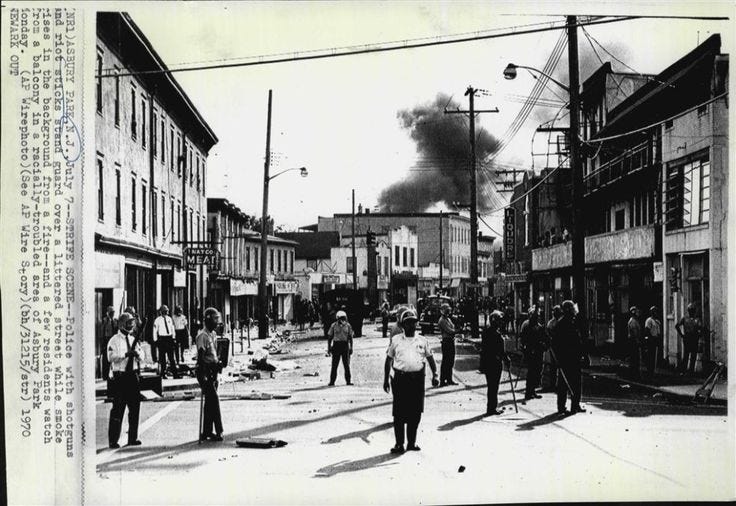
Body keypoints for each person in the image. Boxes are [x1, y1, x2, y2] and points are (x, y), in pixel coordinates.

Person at [383, 309, 439, 454]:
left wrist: (435, 374)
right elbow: (389, 360)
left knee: (416, 413)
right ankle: (399, 444)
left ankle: (412, 443)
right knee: (399, 414)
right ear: (402, 325)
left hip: (417, 380)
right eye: (407, 323)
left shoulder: (422, 340)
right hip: (401, 379)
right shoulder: (396, 340)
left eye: (413, 323)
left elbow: (430, 358)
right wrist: (385, 379)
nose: (411, 326)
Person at [107, 312, 143, 448]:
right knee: (118, 409)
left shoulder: (134, 339)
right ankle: (113, 440)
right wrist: (125, 355)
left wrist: (137, 354)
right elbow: (111, 357)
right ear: (122, 324)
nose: (131, 325)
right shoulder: (114, 340)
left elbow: (143, 356)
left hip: (132, 375)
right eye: (129, 323)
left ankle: (132, 438)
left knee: (135, 407)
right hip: (120, 377)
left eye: (132, 323)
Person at [552, 300, 585, 415]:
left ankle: (574, 405)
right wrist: (559, 359)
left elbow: (578, 341)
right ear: (568, 311)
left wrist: (582, 354)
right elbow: (556, 344)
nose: (574, 311)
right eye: (572, 309)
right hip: (567, 359)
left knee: (573, 383)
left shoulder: (572, 322)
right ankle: (565, 407)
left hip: (573, 358)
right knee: (566, 384)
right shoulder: (562, 324)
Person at [197, 307, 224, 442]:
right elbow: (201, 357)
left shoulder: (213, 334)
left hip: (213, 369)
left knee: (209, 402)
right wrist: (203, 374)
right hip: (205, 370)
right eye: (215, 319)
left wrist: (218, 363)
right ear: (208, 320)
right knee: (214, 399)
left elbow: (214, 353)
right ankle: (219, 430)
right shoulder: (202, 336)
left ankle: (207, 431)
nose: (217, 322)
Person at [480, 310, 510, 416]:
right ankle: (492, 408)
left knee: (491, 386)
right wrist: (506, 359)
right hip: (495, 362)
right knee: (494, 386)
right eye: (499, 321)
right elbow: (500, 351)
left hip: (488, 362)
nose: (500, 323)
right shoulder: (496, 335)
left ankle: (492, 407)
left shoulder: (486, 332)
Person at [519, 308, 545, 401]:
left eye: (537, 316)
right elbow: (523, 337)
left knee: (538, 372)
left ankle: (533, 390)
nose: (537, 318)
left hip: (538, 352)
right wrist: (524, 347)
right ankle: (528, 392)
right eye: (535, 316)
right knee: (531, 372)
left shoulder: (539, 326)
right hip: (531, 351)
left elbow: (542, 337)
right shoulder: (527, 325)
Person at [327, 310, 354, 386]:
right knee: (334, 365)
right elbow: (329, 338)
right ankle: (332, 381)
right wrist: (329, 348)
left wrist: (351, 347)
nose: (343, 320)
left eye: (344, 318)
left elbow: (350, 337)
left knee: (346, 365)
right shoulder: (333, 326)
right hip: (336, 346)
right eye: (341, 318)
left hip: (345, 346)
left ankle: (348, 381)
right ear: (337, 318)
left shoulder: (348, 326)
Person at [675, 303, 703, 374]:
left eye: (693, 310)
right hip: (687, 337)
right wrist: (681, 335)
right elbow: (677, 325)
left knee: (693, 355)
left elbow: (700, 328)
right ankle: (684, 370)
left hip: (694, 338)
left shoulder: (697, 319)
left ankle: (691, 371)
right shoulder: (685, 318)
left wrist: (699, 334)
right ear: (688, 310)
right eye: (690, 310)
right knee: (686, 355)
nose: (692, 311)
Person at [153, 305, 179, 379]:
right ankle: (163, 373)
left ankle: (175, 373)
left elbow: (172, 328)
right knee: (162, 358)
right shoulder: (157, 320)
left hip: (169, 338)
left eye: (166, 311)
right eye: (164, 311)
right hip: (162, 339)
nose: (165, 313)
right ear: (161, 312)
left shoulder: (169, 319)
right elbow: (155, 330)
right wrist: (155, 340)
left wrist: (174, 338)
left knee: (171, 357)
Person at [542, 305, 562, 392]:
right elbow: (549, 334)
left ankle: (559, 384)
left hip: (560, 347)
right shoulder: (551, 323)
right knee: (553, 366)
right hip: (553, 347)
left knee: (560, 366)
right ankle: (552, 384)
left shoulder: (560, 322)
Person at [437, 304, 458, 386]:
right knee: (446, 361)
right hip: (446, 341)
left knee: (450, 361)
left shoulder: (448, 319)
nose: (448, 312)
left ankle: (449, 379)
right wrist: (458, 331)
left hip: (450, 341)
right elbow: (450, 331)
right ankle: (442, 380)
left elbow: (453, 327)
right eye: (446, 310)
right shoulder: (442, 320)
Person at [643, 306, 662, 376]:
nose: (656, 313)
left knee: (654, 355)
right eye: (654, 312)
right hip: (651, 339)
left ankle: (653, 370)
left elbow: (658, 331)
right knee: (650, 355)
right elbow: (647, 330)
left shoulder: (657, 321)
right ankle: (649, 370)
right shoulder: (649, 320)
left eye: (656, 312)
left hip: (656, 339)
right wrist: (650, 338)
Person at [100, 306, 117, 377]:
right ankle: (105, 374)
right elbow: (102, 331)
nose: (112, 314)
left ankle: (112, 374)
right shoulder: (105, 321)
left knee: (113, 356)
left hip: (113, 340)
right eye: (111, 313)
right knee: (106, 358)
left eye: (113, 313)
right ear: (108, 313)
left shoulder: (116, 321)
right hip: (107, 340)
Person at [627, 306, 642, 379]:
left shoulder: (635, 321)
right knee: (635, 357)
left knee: (634, 358)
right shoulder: (633, 321)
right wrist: (637, 341)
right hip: (633, 341)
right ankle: (634, 373)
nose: (638, 313)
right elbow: (635, 332)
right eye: (636, 312)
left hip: (633, 340)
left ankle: (634, 372)